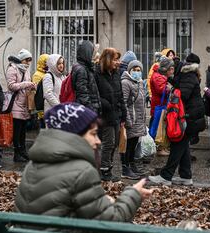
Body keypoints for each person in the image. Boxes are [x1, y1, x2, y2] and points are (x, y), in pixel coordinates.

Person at [14, 103, 153, 222]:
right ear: (75, 135)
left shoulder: (32, 165)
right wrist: (133, 194)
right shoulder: (82, 172)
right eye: (93, 134)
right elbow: (111, 221)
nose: (98, 141)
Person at [148, 53, 205, 186]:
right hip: (191, 116)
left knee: (177, 145)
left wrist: (172, 88)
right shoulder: (187, 75)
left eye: (169, 72)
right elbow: (182, 86)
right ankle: (186, 176)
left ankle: (166, 176)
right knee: (183, 145)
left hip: (189, 117)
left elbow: (184, 94)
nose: (169, 75)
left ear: (173, 69)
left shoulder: (188, 75)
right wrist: (174, 83)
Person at [95, 48, 126, 182]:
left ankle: (108, 168)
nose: (117, 62)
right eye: (115, 59)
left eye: (118, 59)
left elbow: (120, 96)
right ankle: (104, 170)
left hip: (116, 114)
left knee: (114, 144)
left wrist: (123, 114)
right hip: (105, 115)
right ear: (107, 60)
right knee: (108, 143)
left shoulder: (116, 74)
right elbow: (95, 95)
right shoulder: (97, 74)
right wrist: (106, 104)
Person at [6, 49, 36, 162]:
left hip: (24, 104)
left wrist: (32, 86)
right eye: (27, 60)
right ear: (21, 59)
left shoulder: (26, 70)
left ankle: (23, 151)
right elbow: (11, 86)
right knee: (16, 131)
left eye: (30, 60)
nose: (28, 63)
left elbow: (25, 85)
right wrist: (27, 84)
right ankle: (16, 153)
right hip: (15, 104)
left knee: (23, 131)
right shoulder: (12, 68)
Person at [121, 60, 147, 179]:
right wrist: (128, 120)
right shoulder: (126, 82)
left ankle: (131, 165)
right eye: (134, 70)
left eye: (139, 70)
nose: (137, 72)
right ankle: (125, 168)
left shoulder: (140, 82)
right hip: (131, 120)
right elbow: (124, 103)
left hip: (138, 121)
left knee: (134, 144)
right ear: (130, 71)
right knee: (128, 145)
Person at [149, 57, 174, 156]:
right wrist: (171, 88)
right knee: (158, 127)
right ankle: (158, 148)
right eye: (171, 68)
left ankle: (161, 147)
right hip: (158, 106)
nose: (172, 70)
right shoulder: (158, 77)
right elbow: (162, 90)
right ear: (166, 69)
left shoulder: (159, 76)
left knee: (160, 127)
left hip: (159, 105)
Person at [74, 40, 102, 115]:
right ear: (87, 53)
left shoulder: (86, 67)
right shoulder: (81, 70)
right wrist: (91, 111)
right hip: (88, 112)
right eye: (92, 53)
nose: (93, 56)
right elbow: (83, 94)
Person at [32, 54, 49, 127]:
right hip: (42, 109)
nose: (47, 64)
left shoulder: (48, 73)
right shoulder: (37, 75)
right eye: (46, 62)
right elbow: (38, 93)